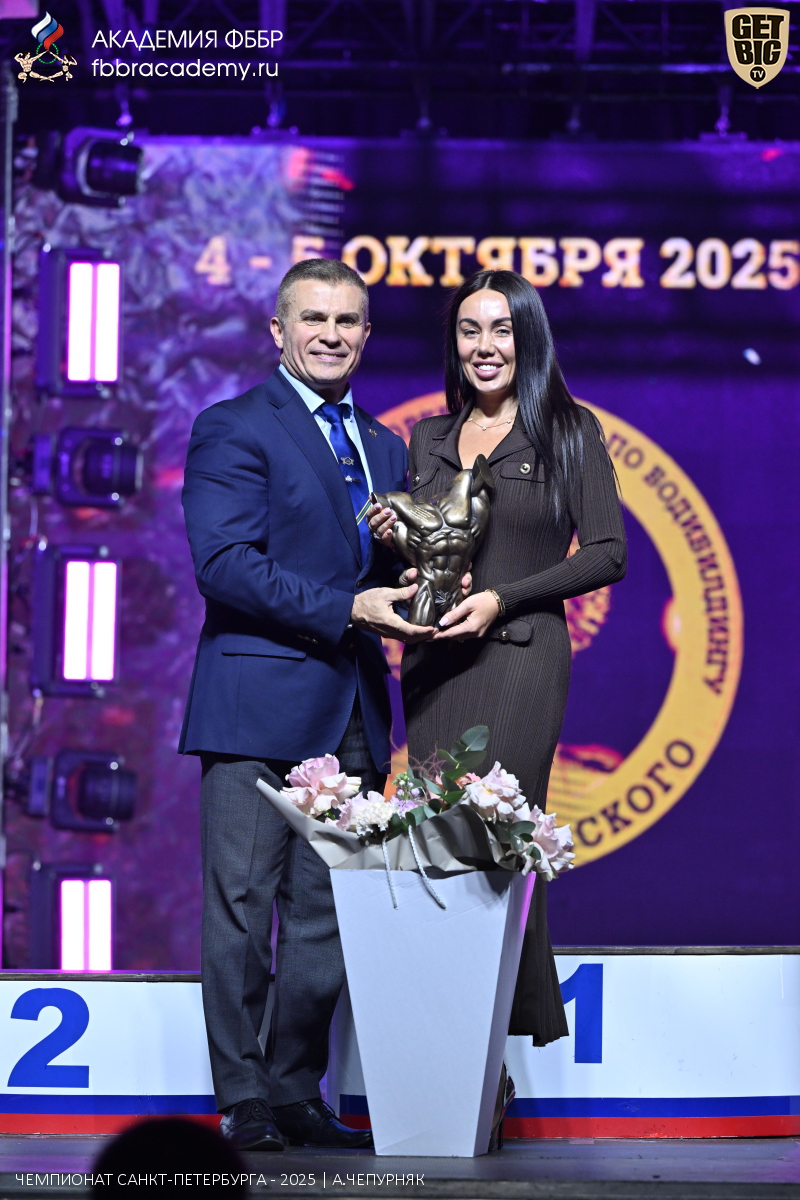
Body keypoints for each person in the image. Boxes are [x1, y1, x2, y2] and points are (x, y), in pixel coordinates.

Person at [179, 258, 433, 1151]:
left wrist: (420, 568)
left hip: (353, 707)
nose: (331, 334)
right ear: (278, 330)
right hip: (256, 704)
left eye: (348, 320)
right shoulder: (233, 426)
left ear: (367, 335)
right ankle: (242, 1097)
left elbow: (385, 573)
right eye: (314, 318)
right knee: (243, 909)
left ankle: (293, 1091)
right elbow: (224, 564)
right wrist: (349, 610)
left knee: (325, 920)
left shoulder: (387, 446)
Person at [371, 269, 627, 1045]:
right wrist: (399, 550)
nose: (484, 346)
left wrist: (503, 599)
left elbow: (608, 553)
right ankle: (450, 1043)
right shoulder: (428, 437)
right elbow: (434, 552)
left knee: (495, 838)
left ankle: (496, 1041)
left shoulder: (569, 430)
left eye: (501, 329)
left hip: (520, 656)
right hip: (433, 666)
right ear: (454, 343)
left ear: (528, 339)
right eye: (469, 330)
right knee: (433, 845)